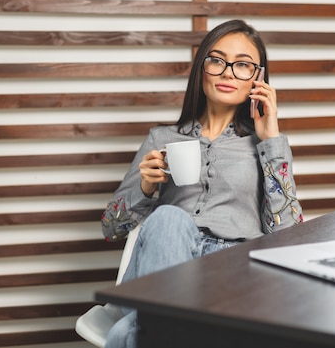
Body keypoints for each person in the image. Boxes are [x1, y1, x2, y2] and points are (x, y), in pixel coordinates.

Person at [100, 19, 303, 348]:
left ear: (257, 78)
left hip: (233, 274)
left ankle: (149, 329)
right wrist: (146, 189)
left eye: (243, 65)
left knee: (127, 335)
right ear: (202, 68)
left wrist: (271, 139)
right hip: (164, 266)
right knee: (168, 217)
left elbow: (288, 233)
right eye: (217, 60)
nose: (227, 72)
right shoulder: (161, 138)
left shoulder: (269, 145)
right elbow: (111, 227)